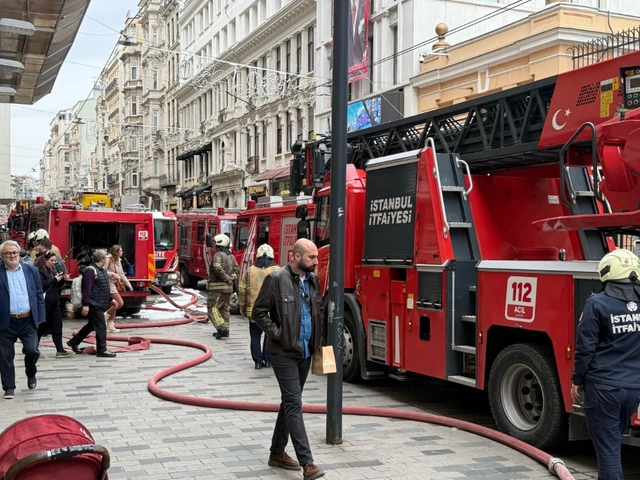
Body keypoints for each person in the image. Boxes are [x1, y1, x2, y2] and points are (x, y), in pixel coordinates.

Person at [252, 239, 325, 480]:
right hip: (283, 352)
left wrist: (318, 343)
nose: (316, 261)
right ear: (295, 256)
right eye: (311, 257)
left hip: (305, 352)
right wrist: (279, 335)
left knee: (290, 402)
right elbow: (258, 313)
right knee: (294, 404)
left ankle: (276, 452)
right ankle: (308, 463)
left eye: (315, 257)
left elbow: (316, 313)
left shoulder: (313, 280)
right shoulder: (276, 279)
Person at [572, 248, 640, 480]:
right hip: (633, 390)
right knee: (613, 444)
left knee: (609, 453)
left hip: (603, 390)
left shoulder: (597, 303)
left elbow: (585, 348)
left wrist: (577, 380)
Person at [0, 240, 46, 399]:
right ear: (2, 256)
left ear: (19, 253)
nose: (12, 256)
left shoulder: (31, 270)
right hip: (5, 322)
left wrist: (40, 317)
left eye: (14, 252)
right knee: (5, 356)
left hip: (27, 320)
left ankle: (31, 373)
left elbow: (39, 295)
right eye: (8, 253)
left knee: (33, 351)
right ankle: (9, 387)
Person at [66, 249, 117, 358]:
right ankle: (102, 350)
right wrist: (86, 305)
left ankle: (74, 342)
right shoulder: (91, 271)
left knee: (91, 326)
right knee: (101, 326)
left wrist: (110, 299)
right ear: (102, 259)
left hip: (98, 303)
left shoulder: (100, 270)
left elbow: (103, 287)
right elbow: (87, 289)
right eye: (105, 258)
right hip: (94, 304)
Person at [238, 243, 279, 369]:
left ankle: (257, 361)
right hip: (272, 312)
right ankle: (268, 360)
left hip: (254, 312)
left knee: (255, 337)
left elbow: (242, 290)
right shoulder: (278, 271)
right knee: (270, 335)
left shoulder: (250, 271)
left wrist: (243, 308)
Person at [34, 251, 74, 358]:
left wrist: (62, 280)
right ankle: (34, 349)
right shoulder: (39, 271)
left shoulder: (52, 270)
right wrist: (54, 280)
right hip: (44, 304)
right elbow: (43, 286)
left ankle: (60, 350)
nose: (53, 263)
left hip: (54, 303)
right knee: (41, 328)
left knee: (57, 326)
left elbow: (56, 285)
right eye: (51, 260)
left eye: (54, 261)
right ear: (44, 260)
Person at [208, 233, 239, 339]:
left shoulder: (218, 255)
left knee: (212, 308)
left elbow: (217, 268)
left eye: (215, 243)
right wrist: (232, 278)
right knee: (224, 309)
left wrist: (226, 278)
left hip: (217, 288)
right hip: (228, 289)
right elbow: (237, 269)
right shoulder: (231, 256)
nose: (213, 245)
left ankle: (222, 328)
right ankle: (225, 329)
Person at [104, 245, 133, 333]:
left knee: (114, 304)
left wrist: (129, 285)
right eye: (120, 251)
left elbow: (122, 274)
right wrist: (112, 274)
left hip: (114, 284)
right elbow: (102, 271)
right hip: (108, 284)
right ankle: (105, 315)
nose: (122, 252)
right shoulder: (108, 260)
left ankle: (110, 325)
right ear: (116, 252)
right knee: (119, 303)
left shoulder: (119, 261)